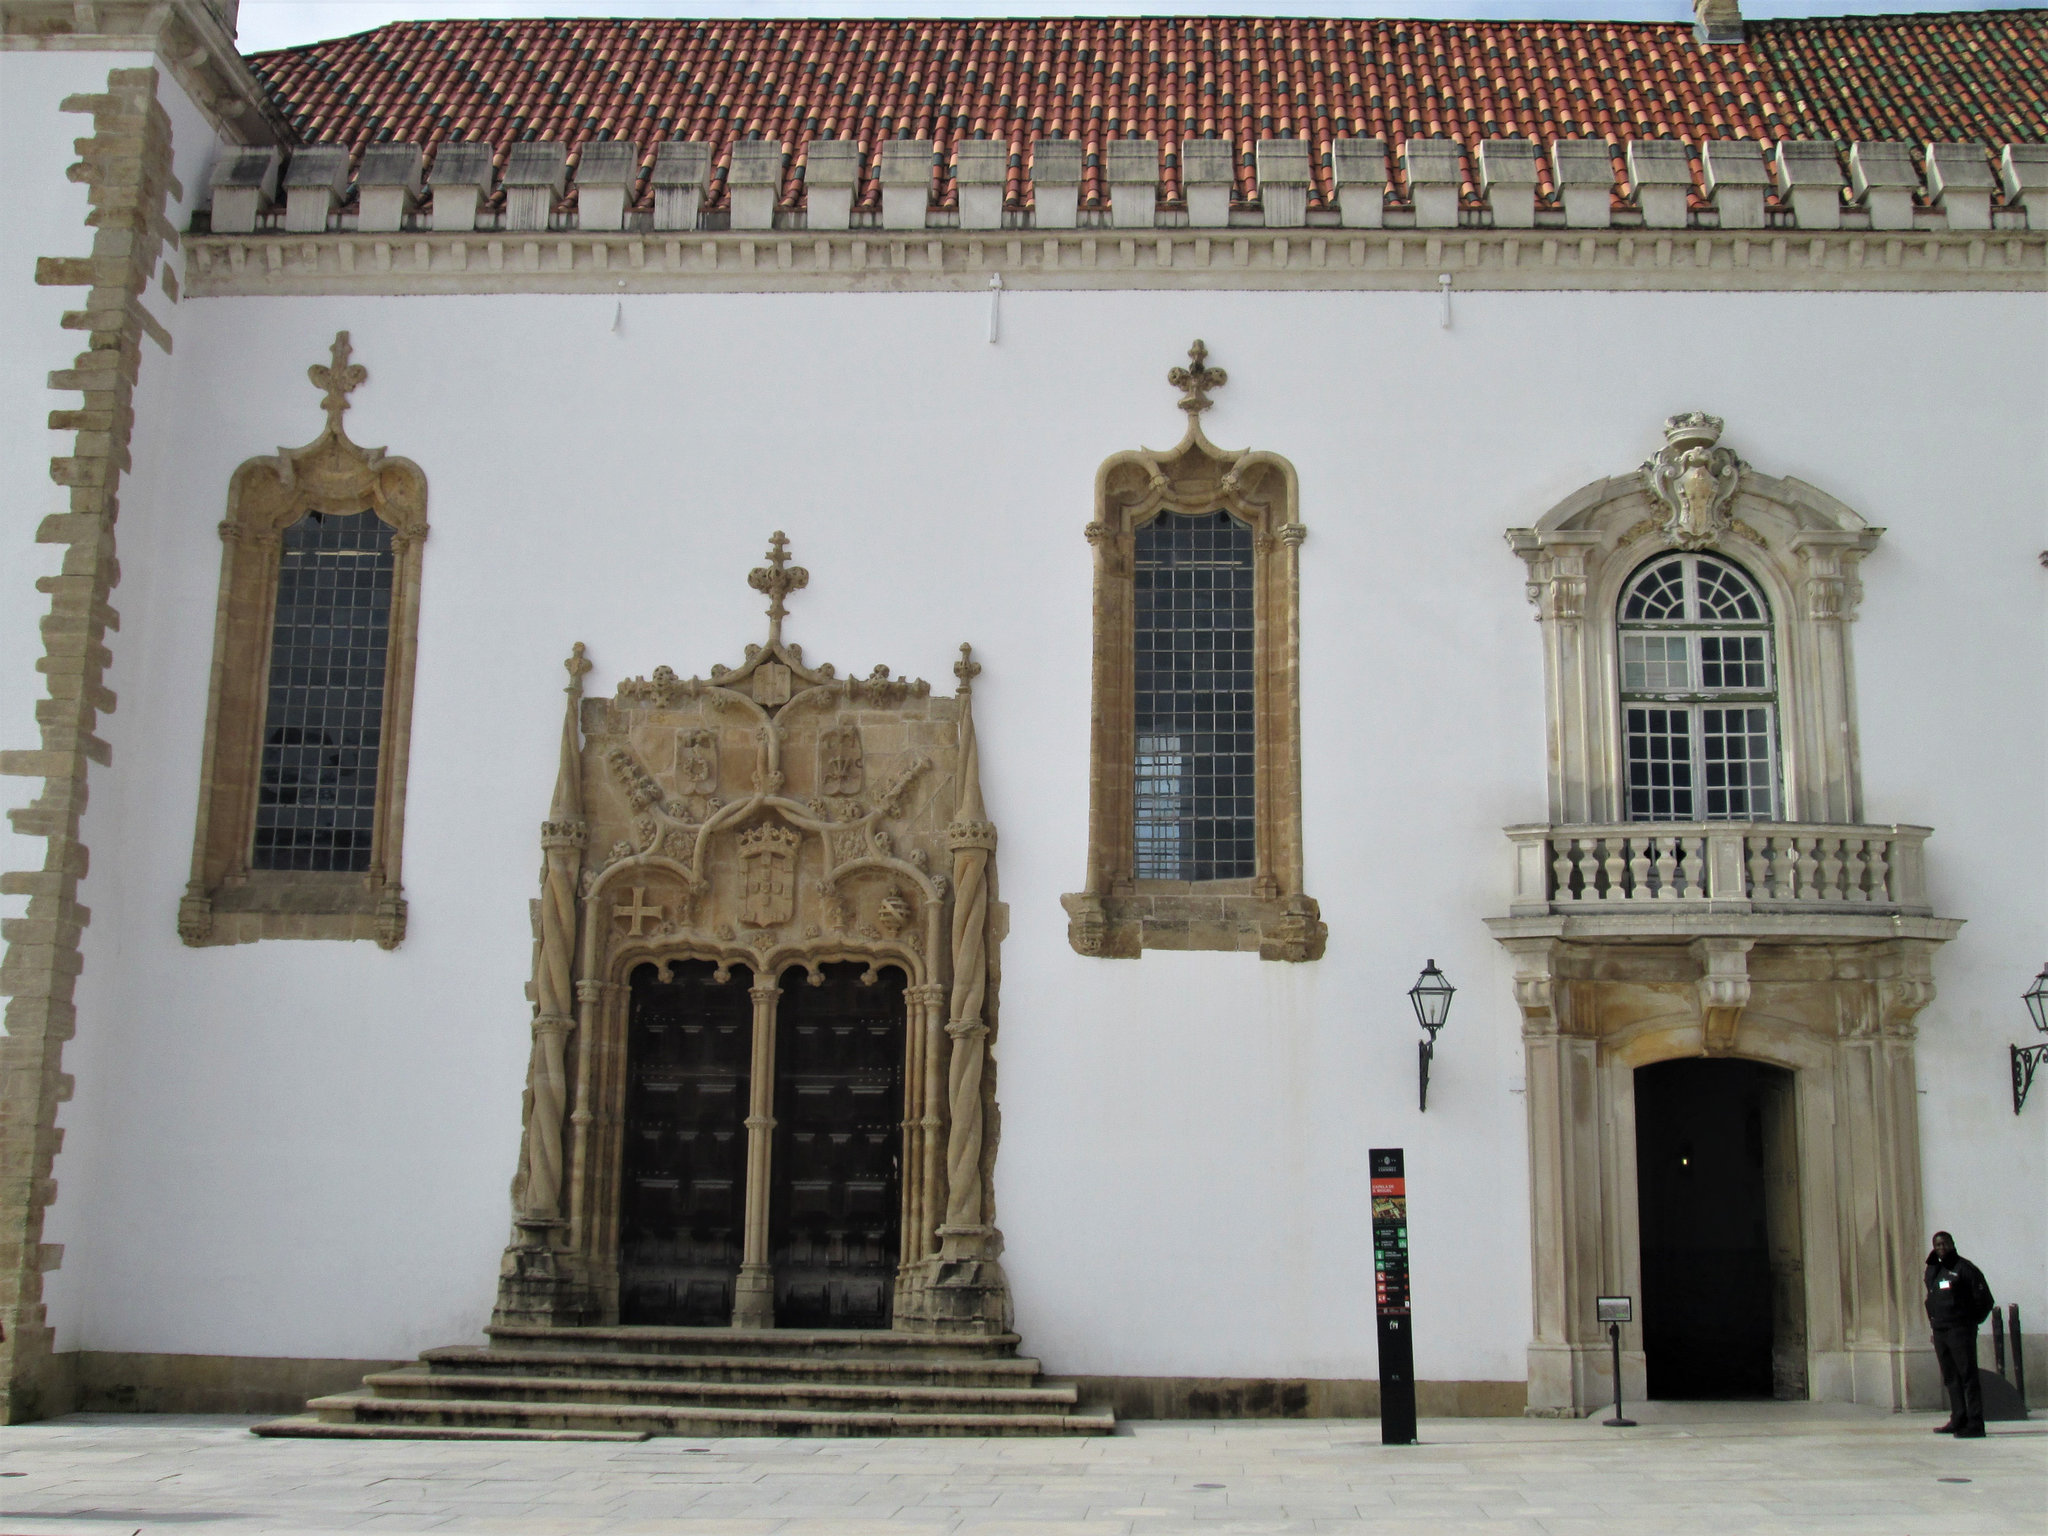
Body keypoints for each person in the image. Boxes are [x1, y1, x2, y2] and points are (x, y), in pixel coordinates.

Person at [1925, 1230, 1995, 1438]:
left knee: (1967, 1376)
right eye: (1938, 1245)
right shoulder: (1933, 1270)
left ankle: (1975, 1422)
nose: (1942, 1248)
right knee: (1950, 1376)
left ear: (1953, 1244)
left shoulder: (1964, 1269)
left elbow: (1985, 1300)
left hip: (1960, 1330)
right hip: (1940, 1331)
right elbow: (1931, 1297)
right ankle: (1958, 1418)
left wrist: (1969, 1323)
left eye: (1945, 1244)